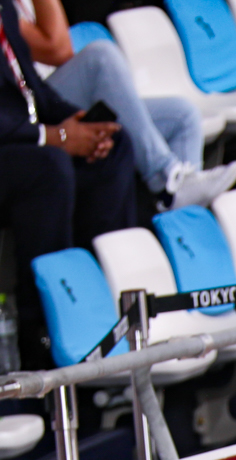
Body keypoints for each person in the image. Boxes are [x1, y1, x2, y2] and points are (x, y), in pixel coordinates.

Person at [0, 0, 134, 368]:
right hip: (12, 150)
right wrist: (54, 135)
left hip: (19, 138)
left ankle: (111, 297)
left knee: (115, 145)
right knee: (48, 167)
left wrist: (70, 119)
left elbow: (30, 89)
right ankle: (46, 324)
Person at [15, 0, 236, 208]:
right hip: (21, 114)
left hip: (50, 97)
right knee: (100, 57)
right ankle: (166, 179)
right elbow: (58, 50)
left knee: (183, 117)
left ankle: (179, 218)